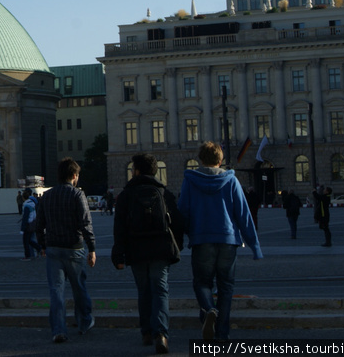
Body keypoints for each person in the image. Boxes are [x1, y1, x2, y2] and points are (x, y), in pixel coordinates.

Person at [178, 141, 262, 341]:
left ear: (200, 159)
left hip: (201, 240)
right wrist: (255, 246)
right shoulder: (231, 181)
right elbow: (243, 214)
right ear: (220, 159)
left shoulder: (190, 180)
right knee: (226, 288)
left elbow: (183, 212)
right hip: (228, 240)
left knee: (202, 283)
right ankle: (222, 333)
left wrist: (184, 237)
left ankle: (208, 310)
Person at [112, 153, 185, 354]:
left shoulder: (126, 195)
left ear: (136, 171)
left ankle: (146, 332)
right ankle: (161, 333)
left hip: (136, 250)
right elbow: (177, 223)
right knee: (160, 290)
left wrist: (118, 255)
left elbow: (119, 228)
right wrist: (176, 246)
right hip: (160, 249)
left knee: (143, 291)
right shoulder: (163, 192)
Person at [34, 158, 96, 343]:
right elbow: (86, 224)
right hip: (74, 249)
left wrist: (43, 245)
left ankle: (58, 330)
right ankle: (85, 322)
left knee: (56, 292)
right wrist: (92, 248)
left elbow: (39, 225)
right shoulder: (77, 195)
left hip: (53, 248)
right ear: (75, 176)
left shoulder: (47, 196)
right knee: (79, 288)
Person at [19, 188, 40, 261]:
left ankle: (30, 255)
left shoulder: (27, 203)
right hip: (33, 222)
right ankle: (37, 250)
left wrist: (22, 228)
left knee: (27, 241)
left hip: (29, 224)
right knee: (30, 240)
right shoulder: (33, 200)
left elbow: (26, 217)